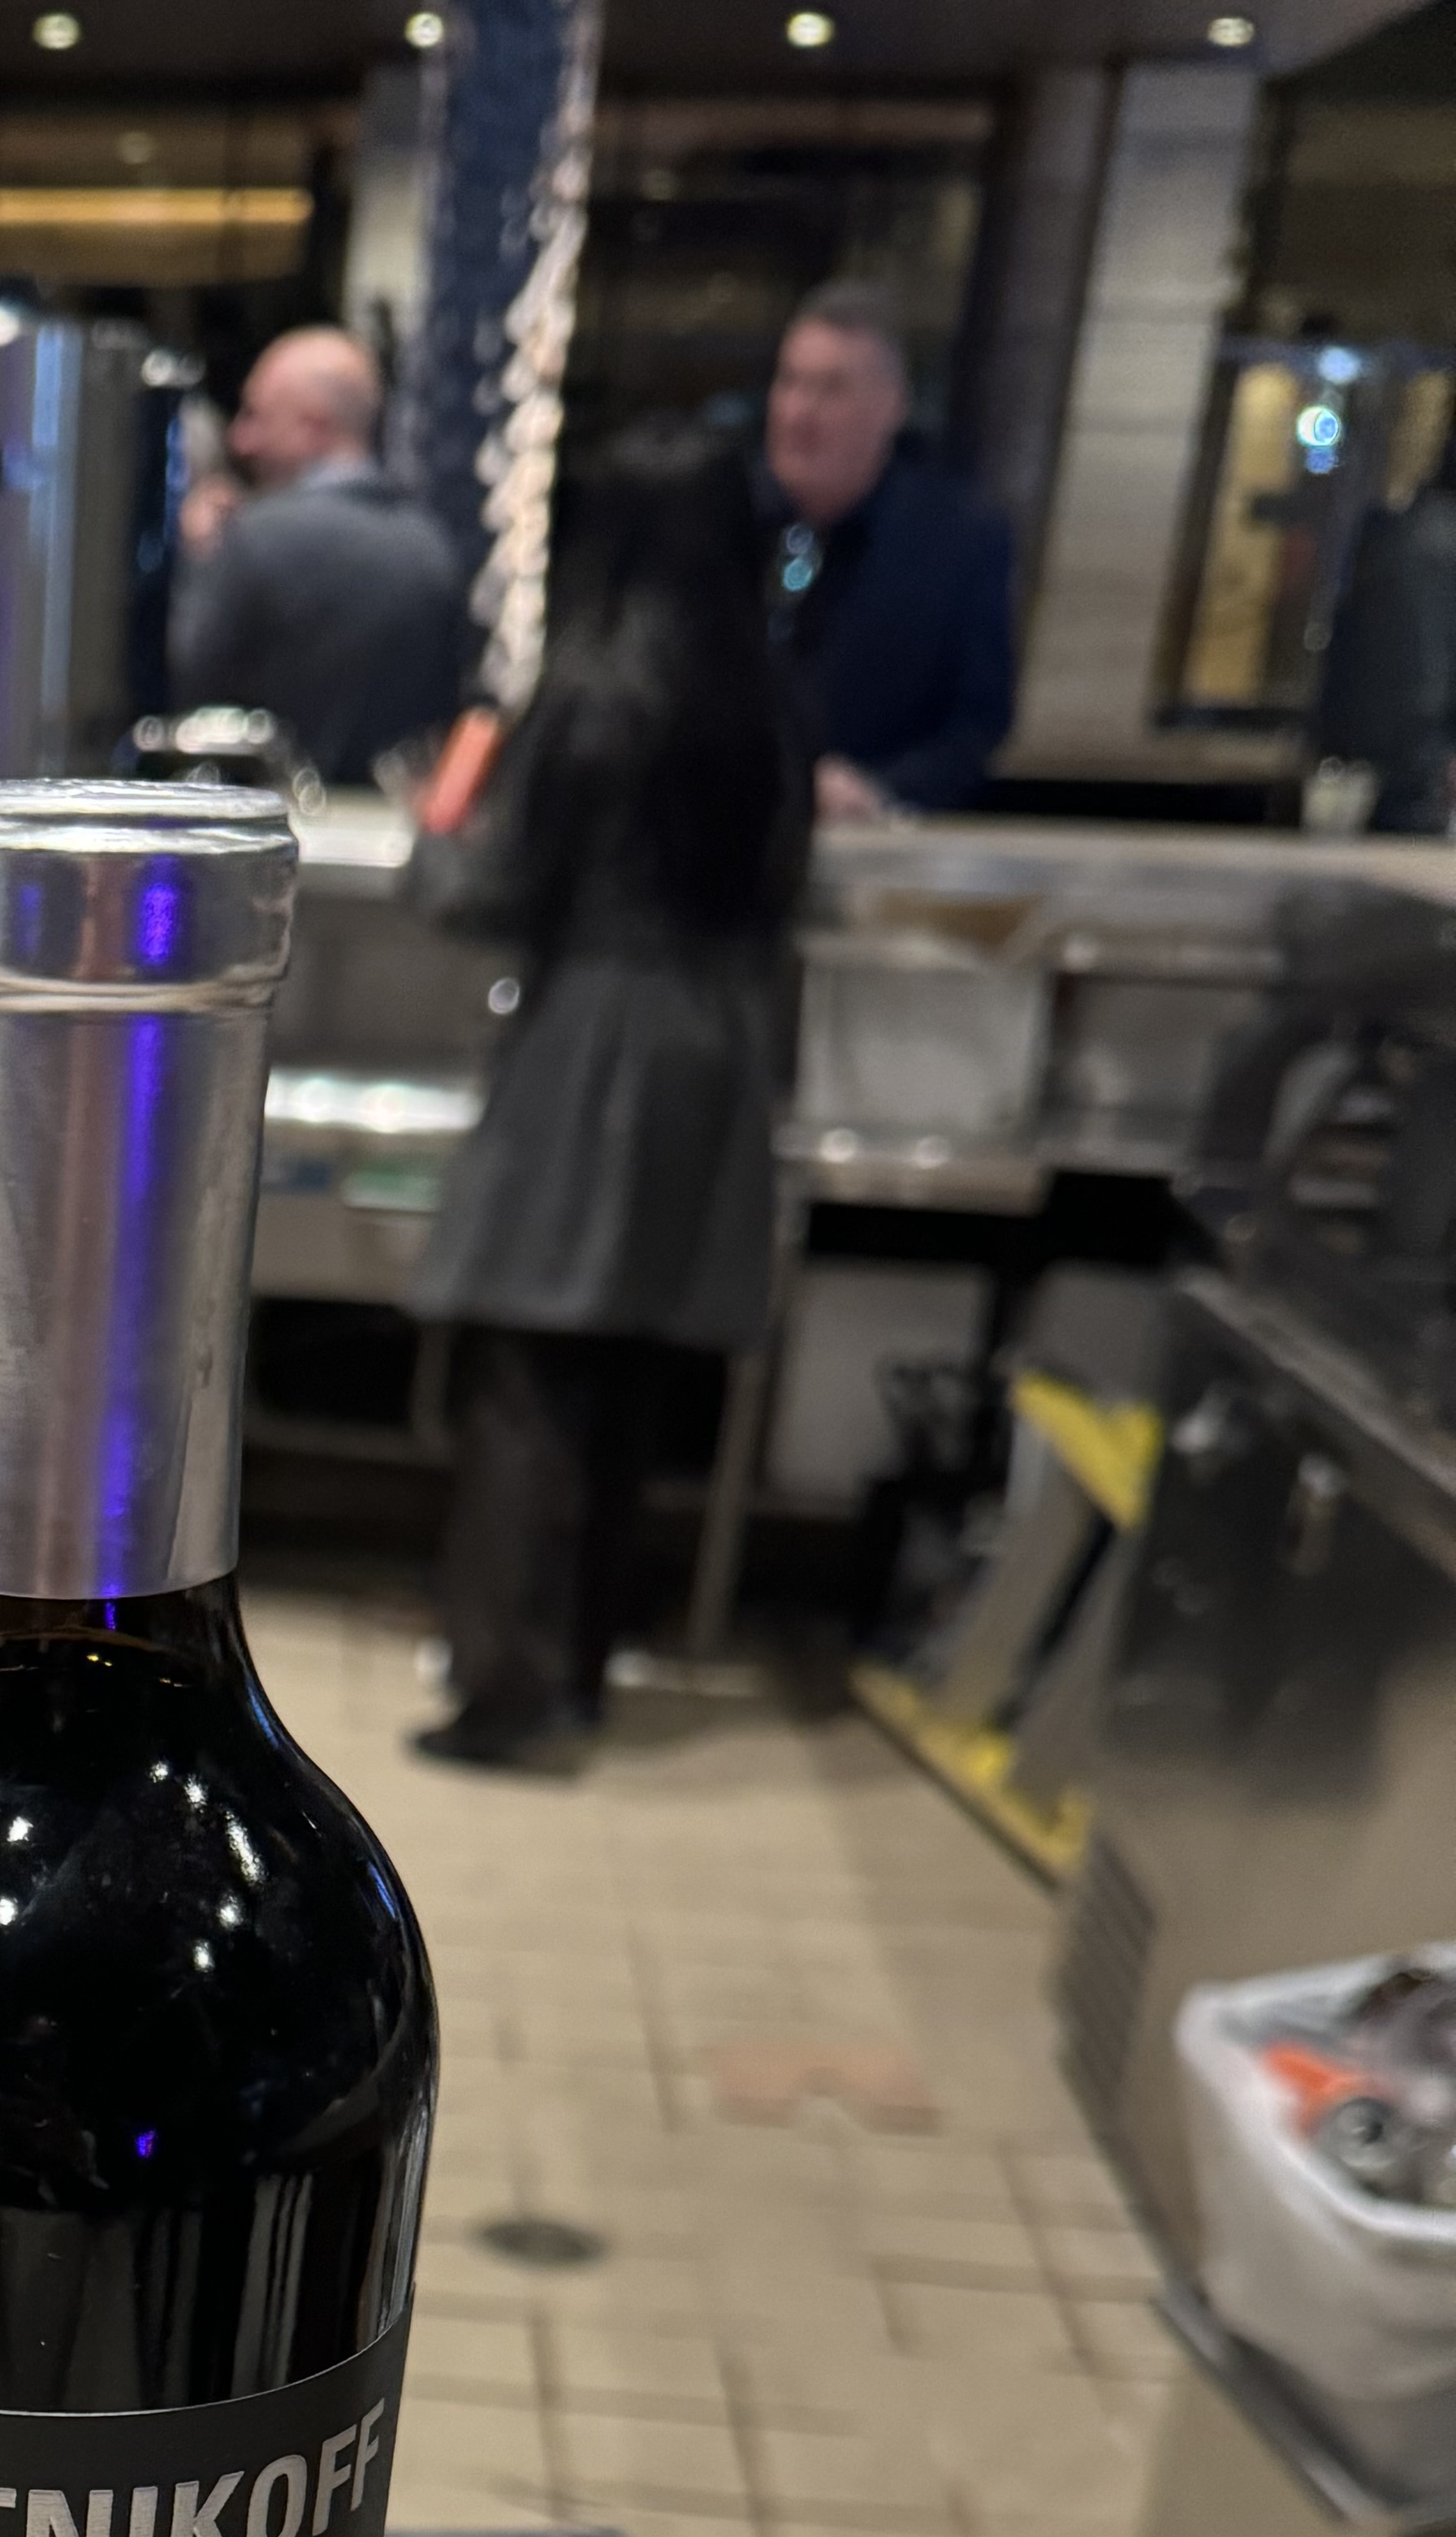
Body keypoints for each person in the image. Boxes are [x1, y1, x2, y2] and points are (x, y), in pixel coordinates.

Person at [403, 418, 810, 1772]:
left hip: (593, 1040)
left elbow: (494, 894)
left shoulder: (587, 693)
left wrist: (432, 836)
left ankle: (503, 1694)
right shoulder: (768, 705)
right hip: (720, 1046)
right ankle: (581, 1665)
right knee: (630, 1373)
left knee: (529, 1369)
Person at [168, 326, 469, 790]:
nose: (241, 439)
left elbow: (181, 682)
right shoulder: (432, 550)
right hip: (388, 821)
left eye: (256, 416)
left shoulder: (252, 538)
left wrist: (193, 556)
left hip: (268, 813)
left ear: (314, 425)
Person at [760, 285, 1014, 817]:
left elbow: (976, 726)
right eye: (791, 382)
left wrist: (876, 792)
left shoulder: (959, 542)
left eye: (831, 389)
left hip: (866, 834)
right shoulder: (722, 521)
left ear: (891, 407)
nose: (799, 412)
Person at [1311, 430, 1456, 836]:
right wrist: (1433, 760)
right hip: (1415, 787)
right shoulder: (1432, 547)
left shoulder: (1416, 537)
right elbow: (1416, 678)